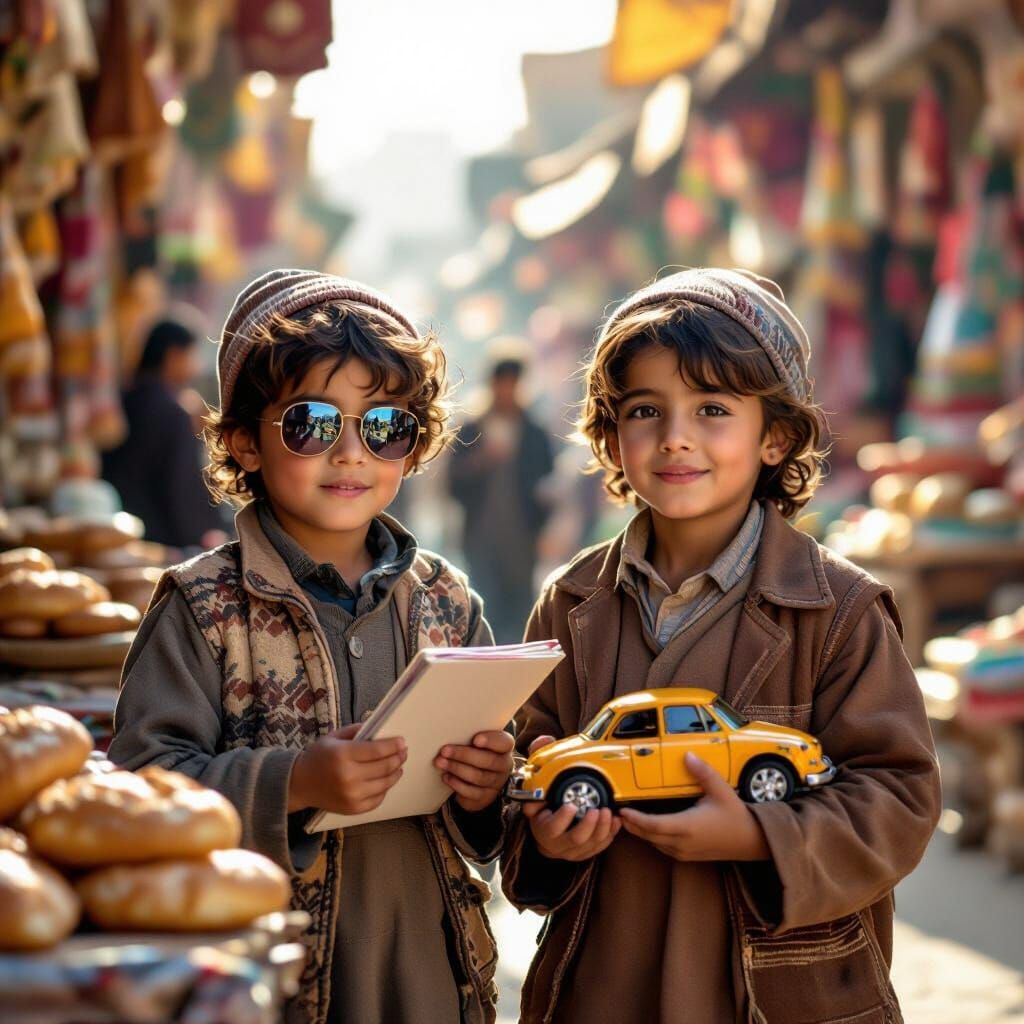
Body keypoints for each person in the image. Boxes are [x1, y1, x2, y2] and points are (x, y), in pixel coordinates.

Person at [501, 268, 941, 1024]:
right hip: (605, 984)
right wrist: (546, 837)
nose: (676, 437)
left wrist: (765, 833)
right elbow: (526, 767)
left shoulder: (837, 610)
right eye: (646, 410)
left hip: (779, 992)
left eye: (712, 408)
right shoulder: (572, 605)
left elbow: (899, 794)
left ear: (775, 436)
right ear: (610, 437)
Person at [108, 270, 514, 1024]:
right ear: (243, 443)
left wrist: (490, 786)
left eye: (385, 425)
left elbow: (494, 812)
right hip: (268, 984)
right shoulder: (201, 606)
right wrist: (293, 784)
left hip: (429, 972)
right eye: (312, 424)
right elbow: (138, 791)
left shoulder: (450, 603)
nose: (352, 452)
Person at [448, 343, 554, 643]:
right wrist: (482, 461)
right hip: (480, 533)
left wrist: (547, 523)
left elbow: (548, 483)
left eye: (513, 384)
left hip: (522, 534)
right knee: (484, 603)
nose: (507, 390)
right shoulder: (472, 429)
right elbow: (452, 484)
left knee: (521, 605)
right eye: (502, 383)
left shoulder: (534, 431)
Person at [101, 313, 227, 549]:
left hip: (120, 531)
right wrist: (202, 534)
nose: (195, 366)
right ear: (172, 355)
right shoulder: (175, 413)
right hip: (166, 543)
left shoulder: (124, 399)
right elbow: (182, 486)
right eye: (191, 356)